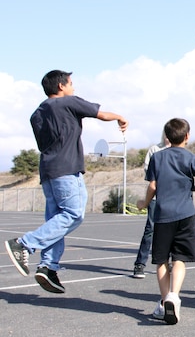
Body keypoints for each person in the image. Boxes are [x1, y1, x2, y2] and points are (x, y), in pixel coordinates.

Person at [4, 70, 128, 293]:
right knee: (73, 214)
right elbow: (100, 114)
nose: (73, 87)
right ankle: (24, 244)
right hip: (66, 169)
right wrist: (120, 116)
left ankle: (48, 266)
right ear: (61, 86)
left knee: (56, 220)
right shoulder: (68, 102)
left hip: (48, 171)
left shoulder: (37, 113)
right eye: (71, 83)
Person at [136, 118, 195, 325]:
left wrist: (144, 202)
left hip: (163, 215)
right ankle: (173, 296)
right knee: (179, 258)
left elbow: (152, 185)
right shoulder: (192, 158)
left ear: (167, 137)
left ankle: (163, 301)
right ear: (187, 136)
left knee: (161, 260)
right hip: (186, 214)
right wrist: (191, 188)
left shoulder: (157, 158)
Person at [132, 132, 171, 279]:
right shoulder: (155, 150)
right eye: (166, 134)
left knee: (171, 231)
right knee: (150, 230)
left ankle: (170, 262)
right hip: (155, 199)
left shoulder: (180, 151)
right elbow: (149, 173)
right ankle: (140, 264)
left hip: (171, 199)